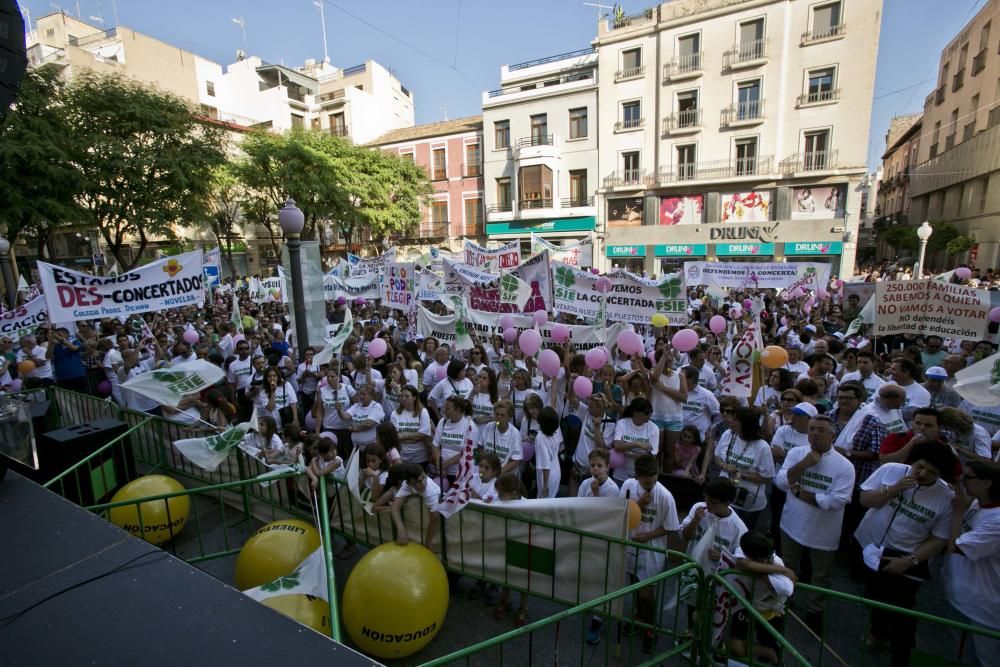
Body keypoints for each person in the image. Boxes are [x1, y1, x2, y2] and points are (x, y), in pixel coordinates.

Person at [855, 443, 958, 667]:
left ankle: (901, 654)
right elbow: (865, 500)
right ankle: (877, 632)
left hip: (907, 557)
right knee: (874, 595)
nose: (923, 475)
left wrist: (909, 561)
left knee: (902, 610)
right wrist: (894, 489)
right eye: (919, 468)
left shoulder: (945, 496)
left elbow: (939, 538)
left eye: (932, 473)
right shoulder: (891, 470)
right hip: (873, 547)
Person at [774, 415, 855, 631]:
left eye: (821, 430)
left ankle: (815, 610)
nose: (815, 434)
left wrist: (802, 493)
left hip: (823, 532)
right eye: (812, 429)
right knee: (788, 565)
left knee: (821, 574)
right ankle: (785, 599)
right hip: (792, 524)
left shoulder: (844, 466)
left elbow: (837, 501)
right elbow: (782, 481)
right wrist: (804, 465)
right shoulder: (797, 454)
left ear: (832, 434)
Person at [619, 454, 680, 654]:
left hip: (651, 550)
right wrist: (639, 505)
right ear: (637, 476)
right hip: (630, 544)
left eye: (654, 481)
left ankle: (651, 627)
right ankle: (639, 618)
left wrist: (649, 535)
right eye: (646, 482)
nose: (651, 486)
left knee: (647, 593)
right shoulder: (628, 486)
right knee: (635, 585)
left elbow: (670, 527)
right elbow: (619, 513)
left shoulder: (665, 496)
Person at [943, 461, 1000, 667]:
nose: (963, 481)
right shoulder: (978, 503)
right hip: (961, 597)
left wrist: (958, 512)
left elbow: (955, 546)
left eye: (968, 477)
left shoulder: (996, 522)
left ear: (986, 483)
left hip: (981, 609)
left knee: (982, 659)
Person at [730, 531, 797, 666]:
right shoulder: (744, 551)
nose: (767, 560)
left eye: (767, 557)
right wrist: (784, 571)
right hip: (746, 607)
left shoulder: (776, 562)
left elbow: (788, 588)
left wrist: (771, 574)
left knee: (767, 641)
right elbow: (744, 564)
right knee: (734, 644)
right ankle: (767, 654)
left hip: (770, 613)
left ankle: (771, 655)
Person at [714, 407, 775, 529]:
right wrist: (725, 466)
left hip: (747, 502)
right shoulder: (728, 435)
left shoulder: (762, 447)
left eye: (735, 419)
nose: (730, 420)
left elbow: (767, 478)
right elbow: (716, 457)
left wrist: (742, 475)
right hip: (724, 496)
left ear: (746, 424)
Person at [390, 464, 441, 548]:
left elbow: (434, 519)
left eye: (422, 479)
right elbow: (395, 507)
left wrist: (428, 542)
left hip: (439, 487)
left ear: (424, 475)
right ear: (408, 483)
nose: (420, 485)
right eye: (415, 483)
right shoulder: (406, 485)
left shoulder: (431, 492)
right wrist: (400, 528)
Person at [612, 397, 660, 484]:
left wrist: (628, 452)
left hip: (641, 478)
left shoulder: (654, 428)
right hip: (620, 476)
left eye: (651, 412)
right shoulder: (622, 423)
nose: (650, 415)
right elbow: (617, 446)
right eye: (646, 413)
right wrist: (637, 444)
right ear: (636, 413)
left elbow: (650, 458)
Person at [431, 395, 473, 485]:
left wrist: (446, 464)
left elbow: (468, 451)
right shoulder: (443, 421)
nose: (444, 410)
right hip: (443, 472)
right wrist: (439, 464)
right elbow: (435, 445)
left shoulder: (469, 425)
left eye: (448, 408)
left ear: (458, 410)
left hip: (461, 473)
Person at [477, 399, 523, 476]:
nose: (498, 417)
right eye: (497, 414)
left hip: (505, 475)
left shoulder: (515, 434)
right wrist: (486, 466)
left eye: (502, 415)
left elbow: (516, 460)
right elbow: (480, 447)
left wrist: (499, 473)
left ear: (509, 417)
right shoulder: (489, 427)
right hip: (488, 472)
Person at [390, 384, 433, 467]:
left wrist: (403, 436)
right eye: (401, 396)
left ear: (414, 397)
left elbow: (423, 434)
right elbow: (395, 436)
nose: (403, 398)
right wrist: (415, 437)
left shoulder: (423, 412)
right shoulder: (395, 414)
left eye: (407, 396)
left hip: (420, 458)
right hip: (402, 457)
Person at [335, 384, 384, 454]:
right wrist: (339, 410)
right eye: (360, 394)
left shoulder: (376, 406)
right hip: (356, 448)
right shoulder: (356, 406)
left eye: (364, 394)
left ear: (371, 395)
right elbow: (345, 417)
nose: (361, 396)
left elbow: (368, 424)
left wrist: (353, 428)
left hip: (371, 448)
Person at [534, 406, 563, 499]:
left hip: (546, 477)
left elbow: (545, 465)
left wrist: (545, 485)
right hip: (556, 471)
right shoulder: (556, 431)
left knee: (542, 505)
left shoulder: (540, 438)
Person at [46, 327, 86, 392]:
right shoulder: (55, 344)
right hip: (62, 377)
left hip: (78, 375)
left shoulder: (74, 341)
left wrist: (61, 339)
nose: (57, 337)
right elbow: (48, 356)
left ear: (67, 334)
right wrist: (51, 343)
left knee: (82, 398)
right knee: (66, 399)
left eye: (59, 334)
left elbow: (74, 348)